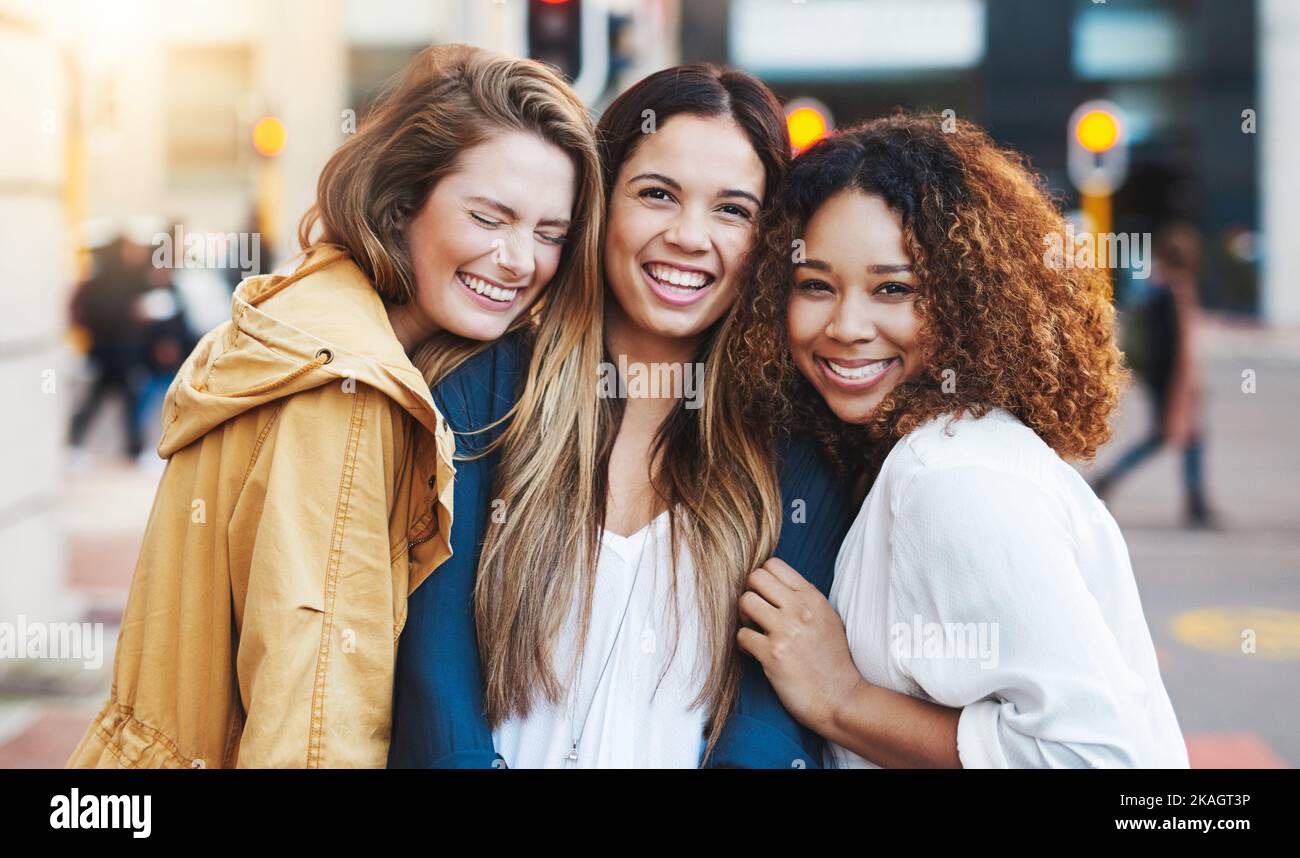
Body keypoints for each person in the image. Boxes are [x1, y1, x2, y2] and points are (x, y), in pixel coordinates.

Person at [68, 44, 602, 768]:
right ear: (402, 200)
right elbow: (314, 724)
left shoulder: (300, 317)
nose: (519, 259)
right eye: (489, 217)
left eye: (549, 234)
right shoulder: (349, 392)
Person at [389, 65, 852, 769]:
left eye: (733, 210)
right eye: (658, 194)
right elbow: (433, 677)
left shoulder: (795, 445)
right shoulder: (478, 392)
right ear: (599, 203)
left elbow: (766, 727)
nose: (691, 236)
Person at [733, 114, 1188, 768]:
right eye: (815, 285)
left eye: (894, 288)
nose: (847, 325)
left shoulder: (951, 476)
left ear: (966, 300)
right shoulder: (938, 448)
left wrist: (841, 699)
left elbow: (1094, 756)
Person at [1092, 223, 1213, 527]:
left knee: (1184, 436)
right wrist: (1183, 388)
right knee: (1169, 435)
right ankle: (1108, 478)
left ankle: (1194, 501)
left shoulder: (1154, 286)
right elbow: (1178, 346)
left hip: (1161, 378)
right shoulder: (1174, 290)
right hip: (1172, 380)